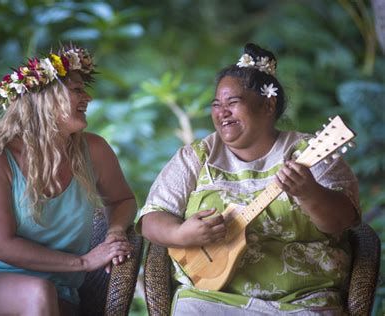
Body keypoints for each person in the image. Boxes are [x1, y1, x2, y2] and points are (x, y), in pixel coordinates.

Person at [138, 43, 360, 315]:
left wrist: (309, 193)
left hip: (302, 300)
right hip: (209, 298)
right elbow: (151, 218)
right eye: (217, 105)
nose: (222, 113)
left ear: (268, 105)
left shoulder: (309, 152)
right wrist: (179, 233)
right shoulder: (197, 156)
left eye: (233, 103)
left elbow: (343, 221)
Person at [0, 44, 137, 315]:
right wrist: (83, 262)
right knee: (38, 294)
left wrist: (114, 233)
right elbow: (1, 246)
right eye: (77, 90)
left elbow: (122, 200)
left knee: (43, 294)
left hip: (60, 287)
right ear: (45, 98)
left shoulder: (94, 150)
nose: (88, 98)